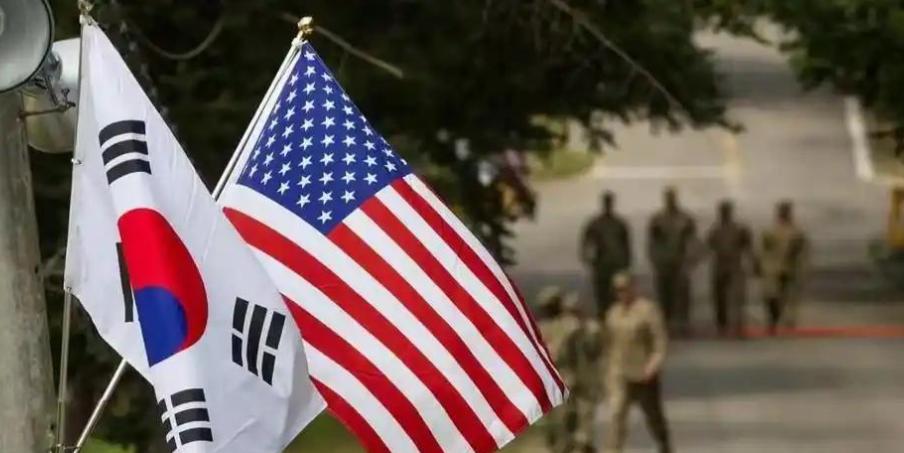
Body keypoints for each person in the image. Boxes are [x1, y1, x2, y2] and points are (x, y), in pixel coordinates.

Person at [602, 272, 673, 453]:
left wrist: (654, 364)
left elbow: (660, 341)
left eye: (625, 288)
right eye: (618, 290)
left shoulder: (648, 310)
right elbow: (607, 343)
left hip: (643, 372)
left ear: (633, 287)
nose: (621, 293)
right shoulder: (613, 313)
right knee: (616, 413)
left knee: (653, 416)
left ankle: (664, 444)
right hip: (619, 372)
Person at [536, 287, 603, 453]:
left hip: (569, 379)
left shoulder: (570, 326)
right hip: (551, 382)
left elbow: (585, 352)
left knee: (570, 423)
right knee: (555, 427)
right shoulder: (543, 327)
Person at [647, 187, 700, 334]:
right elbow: (652, 242)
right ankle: (666, 323)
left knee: (682, 295)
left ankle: (683, 324)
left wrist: (691, 261)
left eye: (672, 197)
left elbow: (693, 241)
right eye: (668, 197)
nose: (670, 200)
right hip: (663, 263)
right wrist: (654, 260)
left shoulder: (685, 219)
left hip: (680, 262)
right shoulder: (657, 220)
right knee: (664, 294)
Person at [705, 200, 755, 337]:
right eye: (722, 211)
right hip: (720, 266)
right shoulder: (715, 230)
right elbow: (707, 247)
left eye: (726, 211)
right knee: (719, 298)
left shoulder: (740, 229)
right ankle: (722, 327)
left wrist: (753, 262)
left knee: (737, 297)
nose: (724, 213)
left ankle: (738, 326)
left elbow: (748, 247)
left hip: (734, 265)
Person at [759, 201, 809, 333]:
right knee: (772, 297)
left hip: (789, 268)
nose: (784, 214)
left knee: (787, 296)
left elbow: (802, 251)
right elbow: (764, 249)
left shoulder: (796, 232)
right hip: (773, 268)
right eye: (783, 211)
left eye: (786, 211)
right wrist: (760, 265)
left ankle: (784, 320)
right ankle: (774, 320)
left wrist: (801, 267)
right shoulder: (770, 231)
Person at [581, 191, 632, 315]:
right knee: (601, 296)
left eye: (610, 202)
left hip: (617, 266)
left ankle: (617, 319)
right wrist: (588, 259)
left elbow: (626, 245)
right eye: (607, 202)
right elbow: (586, 243)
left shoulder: (619, 224)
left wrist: (626, 263)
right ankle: (603, 317)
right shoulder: (595, 224)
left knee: (617, 296)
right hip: (601, 266)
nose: (608, 205)